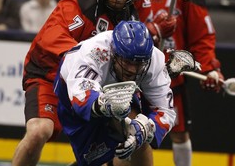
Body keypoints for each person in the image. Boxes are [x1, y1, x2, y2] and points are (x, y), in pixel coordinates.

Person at [11, 0, 156, 166]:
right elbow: (50, 36)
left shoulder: (130, 20)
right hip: (50, 76)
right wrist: (86, 54)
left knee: (131, 137)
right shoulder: (82, 2)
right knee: (38, 132)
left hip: (90, 86)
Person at [54, 20, 176, 166]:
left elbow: (165, 112)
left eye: (138, 63)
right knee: (95, 160)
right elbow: (81, 97)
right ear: (114, 52)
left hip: (120, 90)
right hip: (73, 93)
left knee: (138, 138)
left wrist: (142, 130)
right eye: (127, 61)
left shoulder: (154, 60)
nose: (132, 69)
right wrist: (104, 105)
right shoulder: (94, 52)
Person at [143, 0, 225, 166]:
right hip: (137, 76)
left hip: (172, 79)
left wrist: (210, 68)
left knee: (179, 134)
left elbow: (202, 36)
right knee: (131, 133)